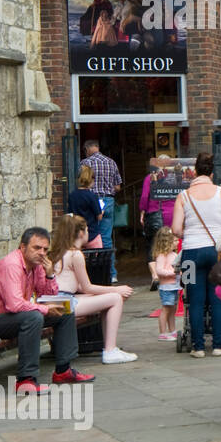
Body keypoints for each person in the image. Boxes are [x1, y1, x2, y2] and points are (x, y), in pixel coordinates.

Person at [0, 227, 92, 393]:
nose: (42, 253)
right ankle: (25, 379)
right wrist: (44, 309)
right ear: (23, 247)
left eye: (45, 249)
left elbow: (46, 295)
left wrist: (50, 274)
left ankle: (63, 370)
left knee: (64, 310)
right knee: (34, 317)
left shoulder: (36, 265)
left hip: (17, 316)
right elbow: (14, 304)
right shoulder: (12, 265)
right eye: (36, 248)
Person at [48, 214, 136, 364]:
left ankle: (109, 348)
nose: (88, 233)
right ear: (81, 233)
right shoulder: (76, 254)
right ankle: (110, 350)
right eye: (87, 229)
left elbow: (82, 288)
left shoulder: (58, 253)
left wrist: (111, 290)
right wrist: (116, 290)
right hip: (66, 302)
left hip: (58, 299)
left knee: (107, 299)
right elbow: (87, 287)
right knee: (115, 299)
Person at [171, 151, 221, 357]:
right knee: (217, 299)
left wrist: (190, 230)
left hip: (191, 253)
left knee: (193, 300)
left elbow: (176, 229)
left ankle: (197, 347)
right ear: (212, 173)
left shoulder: (183, 196)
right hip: (217, 253)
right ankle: (217, 345)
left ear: (195, 171)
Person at [79, 140, 122, 276]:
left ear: (87, 149)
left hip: (90, 202)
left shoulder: (85, 163)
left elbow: (80, 183)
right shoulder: (111, 162)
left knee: (90, 237)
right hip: (108, 201)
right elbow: (118, 187)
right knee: (106, 238)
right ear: (98, 147)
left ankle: (93, 272)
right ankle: (111, 273)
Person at [140, 166, 176, 290]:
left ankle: (155, 275)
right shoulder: (173, 178)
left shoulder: (149, 178)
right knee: (171, 244)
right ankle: (170, 274)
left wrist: (142, 212)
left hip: (154, 214)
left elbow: (145, 196)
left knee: (152, 244)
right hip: (171, 214)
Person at [151, 226, 180, 342]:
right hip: (167, 287)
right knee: (166, 309)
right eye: (175, 240)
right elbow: (159, 270)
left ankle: (172, 330)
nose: (178, 242)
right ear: (167, 242)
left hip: (174, 286)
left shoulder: (173, 255)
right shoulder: (162, 256)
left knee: (173, 309)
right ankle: (162, 333)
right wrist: (173, 273)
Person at [67, 165, 104, 247]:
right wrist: (102, 211)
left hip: (77, 235)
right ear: (91, 179)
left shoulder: (72, 195)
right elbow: (99, 216)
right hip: (92, 233)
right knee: (97, 258)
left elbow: (70, 214)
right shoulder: (92, 196)